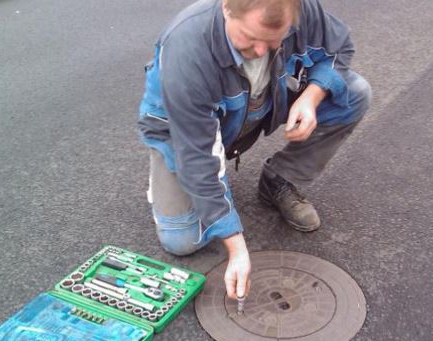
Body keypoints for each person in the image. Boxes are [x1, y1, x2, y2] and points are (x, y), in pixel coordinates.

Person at [138, 0, 371, 300]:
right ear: (226, 8)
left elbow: (339, 48)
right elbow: (197, 154)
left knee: (354, 94)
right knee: (183, 242)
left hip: (256, 104)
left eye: (274, 41)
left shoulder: (298, 8)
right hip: (182, 131)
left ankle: (279, 179)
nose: (261, 51)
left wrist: (312, 96)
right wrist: (236, 246)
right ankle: (166, 176)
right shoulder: (187, 48)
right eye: (249, 38)